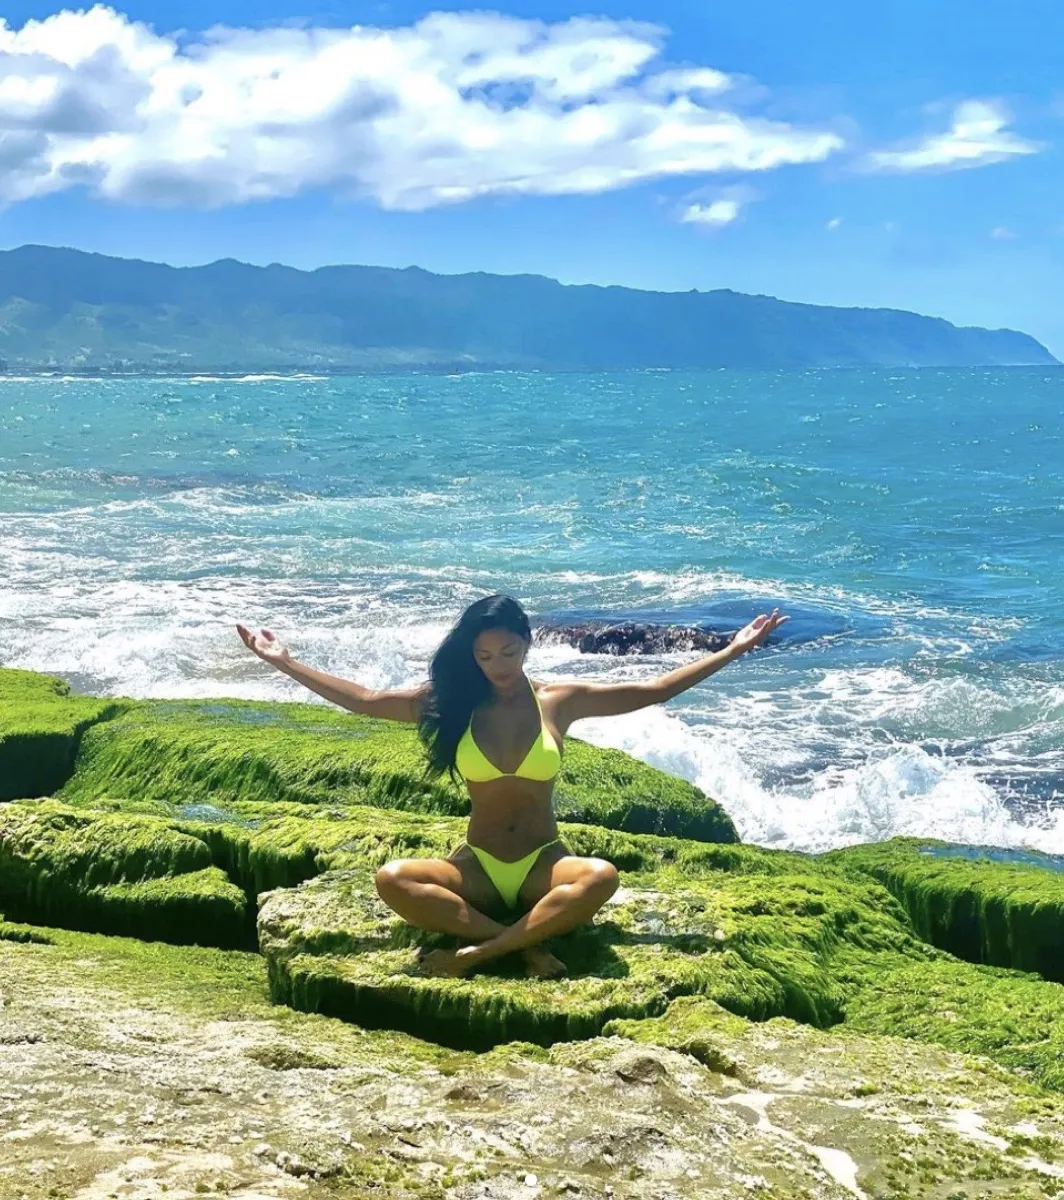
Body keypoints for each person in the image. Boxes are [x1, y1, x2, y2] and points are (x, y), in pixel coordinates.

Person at [236, 595, 787, 979]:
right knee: (392, 879)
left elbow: (653, 690)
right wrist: (285, 662)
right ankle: (524, 946)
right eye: (483, 656)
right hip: (474, 866)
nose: (496, 666)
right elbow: (362, 698)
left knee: (601, 876)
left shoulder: (559, 701)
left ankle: (479, 952)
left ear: (527, 643)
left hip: (543, 866)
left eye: (507, 653)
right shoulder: (448, 702)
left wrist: (733, 649)